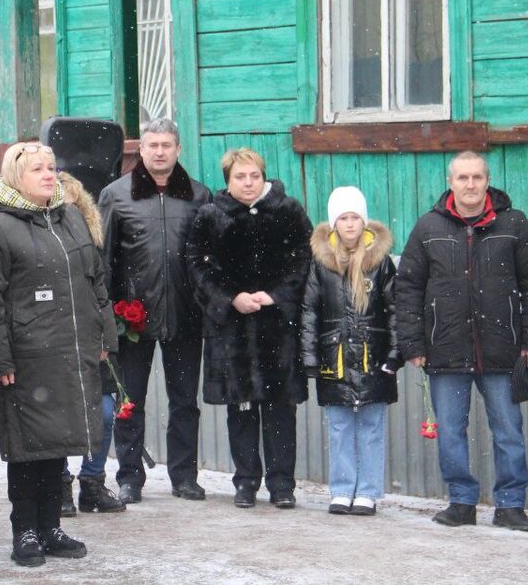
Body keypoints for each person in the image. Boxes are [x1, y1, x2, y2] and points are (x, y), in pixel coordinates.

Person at [0, 142, 115, 568]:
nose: (50, 175)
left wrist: (105, 337)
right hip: (28, 357)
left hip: (71, 353)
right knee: (28, 447)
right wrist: (0, 360)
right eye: (38, 169)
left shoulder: (70, 218)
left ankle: (51, 525)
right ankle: (26, 530)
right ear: (17, 176)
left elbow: (97, 282)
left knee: (58, 445)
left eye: (51, 167)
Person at [395, 151, 528, 532]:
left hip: (503, 348)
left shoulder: (514, 224)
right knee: (450, 429)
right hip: (444, 347)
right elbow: (408, 287)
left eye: (476, 177)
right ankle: (461, 500)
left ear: (487, 180)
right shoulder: (428, 226)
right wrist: (413, 343)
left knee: (508, 429)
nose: (470, 184)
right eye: (462, 177)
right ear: (450, 181)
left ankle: (511, 505)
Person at [185, 148, 311, 509]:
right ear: (228, 180)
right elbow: (197, 267)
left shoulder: (288, 212)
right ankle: (245, 481)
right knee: (240, 410)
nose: (248, 183)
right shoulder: (210, 216)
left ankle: (282, 484)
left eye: (254, 175)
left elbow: (303, 258)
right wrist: (230, 298)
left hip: (278, 330)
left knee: (280, 410)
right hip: (232, 333)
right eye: (240, 177)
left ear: (264, 176)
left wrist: (277, 296)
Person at [96, 118, 211, 504]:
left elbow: (206, 258)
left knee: (184, 402)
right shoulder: (116, 194)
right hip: (133, 317)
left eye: (166, 145)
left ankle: (184, 475)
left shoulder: (198, 195)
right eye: (152, 145)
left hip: (185, 313)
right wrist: (109, 313)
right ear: (140, 150)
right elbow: (105, 259)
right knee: (130, 402)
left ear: (178, 149)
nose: (159, 151)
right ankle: (130, 476)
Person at [300, 186, 398, 517]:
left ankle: (368, 492)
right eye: (343, 218)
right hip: (335, 359)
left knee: (371, 427)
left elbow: (395, 309)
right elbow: (309, 311)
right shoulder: (320, 263)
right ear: (334, 223)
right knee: (340, 427)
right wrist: (310, 357)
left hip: (373, 357)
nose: (350, 224)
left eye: (355, 217)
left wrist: (396, 351)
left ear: (364, 221)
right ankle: (342, 489)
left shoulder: (381, 263)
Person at [58, 171, 125, 515]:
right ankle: (59, 483)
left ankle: (93, 481)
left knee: (105, 411)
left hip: (91, 340)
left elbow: (102, 296)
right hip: (54, 342)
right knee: (55, 416)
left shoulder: (92, 243)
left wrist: (106, 339)